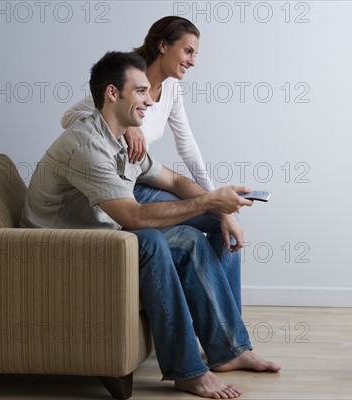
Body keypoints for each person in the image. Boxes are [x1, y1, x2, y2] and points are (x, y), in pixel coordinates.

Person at [20, 51, 279, 399]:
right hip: (59, 247)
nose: (149, 101)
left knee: (202, 229)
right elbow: (134, 217)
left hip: (96, 233)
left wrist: (220, 206)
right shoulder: (87, 145)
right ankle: (188, 372)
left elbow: (171, 180)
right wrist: (210, 201)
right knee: (155, 241)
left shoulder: (121, 137)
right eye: (141, 92)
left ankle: (229, 349)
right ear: (113, 93)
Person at [60, 16, 245, 310]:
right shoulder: (129, 79)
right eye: (188, 51)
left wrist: (214, 196)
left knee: (224, 221)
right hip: (124, 185)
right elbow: (68, 117)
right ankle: (220, 324)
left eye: (196, 54)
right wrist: (125, 122)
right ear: (162, 46)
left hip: (144, 176)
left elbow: (187, 145)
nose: (193, 61)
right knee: (202, 225)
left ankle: (227, 322)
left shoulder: (172, 90)